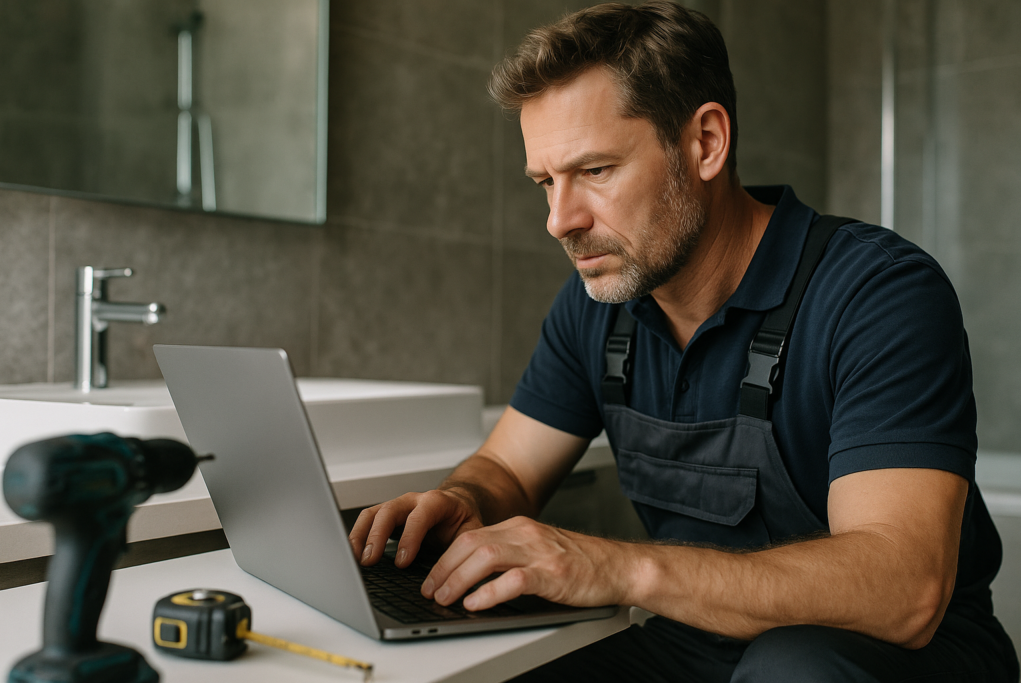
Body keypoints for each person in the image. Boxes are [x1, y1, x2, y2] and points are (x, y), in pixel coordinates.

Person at [349, 2, 1019, 681]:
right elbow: (509, 471)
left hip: (899, 659)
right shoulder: (596, 306)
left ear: (705, 142)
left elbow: (903, 591)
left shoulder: (876, 293)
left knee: (794, 668)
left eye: (595, 171)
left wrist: (616, 565)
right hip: (697, 641)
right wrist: (465, 500)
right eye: (545, 183)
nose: (559, 220)